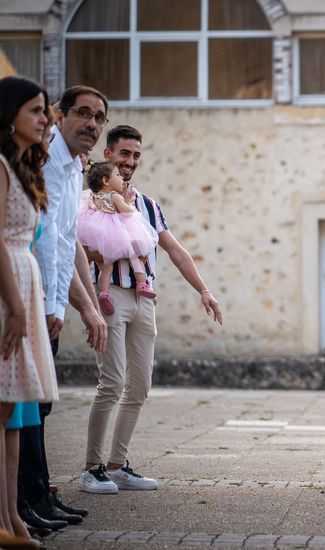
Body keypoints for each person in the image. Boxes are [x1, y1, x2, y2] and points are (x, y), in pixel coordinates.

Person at [79, 125, 222, 494]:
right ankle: (91, 469)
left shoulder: (148, 205)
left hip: (145, 299)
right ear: (107, 155)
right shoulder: (88, 198)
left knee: (140, 386)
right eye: (124, 154)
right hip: (109, 296)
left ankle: (117, 465)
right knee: (111, 382)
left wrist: (203, 290)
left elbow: (174, 250)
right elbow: (74, 246)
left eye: (136, 156)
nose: (130, 162)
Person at [21, 85, 108, 532]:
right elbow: (45, 241)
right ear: (59, 115)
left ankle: (36, 494)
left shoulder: (74, 167)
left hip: (49, 303)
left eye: (99, 118)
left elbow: (69, 240)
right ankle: (27, 500)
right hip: (30, 299)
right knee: (28, 407)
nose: (91, 124)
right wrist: (54, 304)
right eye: (84, 114)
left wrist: (88, 308)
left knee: (41, 406)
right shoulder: (45, 160)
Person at [0, 76, 59, 549]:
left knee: (11, 407)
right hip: (9, 291)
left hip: (24, 281)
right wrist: (17, 309)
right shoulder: (0, 166)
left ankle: (10, 519)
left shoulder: (22, 166)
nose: (44, 119)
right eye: (36, 110)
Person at [76, 161, 158, 315]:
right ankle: (142, 283)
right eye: (118, 175)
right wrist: (128, 202)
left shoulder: (94, 196)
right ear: (106, 181)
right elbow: (126, 212)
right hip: (116, 230)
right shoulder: (114, 196)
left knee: (105, 266)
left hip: (99, 233)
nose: (121, 178)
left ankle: (104, 293)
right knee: (135, 254)